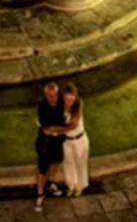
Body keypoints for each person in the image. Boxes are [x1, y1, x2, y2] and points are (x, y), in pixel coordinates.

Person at [34, 82, 66, 212]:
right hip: (45, 142)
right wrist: (63, 129)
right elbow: (47, 129)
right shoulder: (42, 106)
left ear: (58, 94)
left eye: (54, 95)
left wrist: (60, 130)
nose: (51, 98)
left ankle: (51, 183)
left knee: (57, 162)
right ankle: (40, 194)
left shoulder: (62, 102)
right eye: (48, 95)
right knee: (42, 169)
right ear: (45, 94)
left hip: (58, 140)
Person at [56, 83, 89, 197]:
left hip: (80, 139)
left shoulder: (79, 104)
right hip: (67, 140)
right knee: (68, 164)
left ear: (75, 96)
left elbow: (73, 125)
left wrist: (56, 131)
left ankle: (80, 186)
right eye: (66, 98)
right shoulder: (60, 107)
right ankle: (71, 185)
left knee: (80, 164)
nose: (69, 100)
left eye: (71, 97)